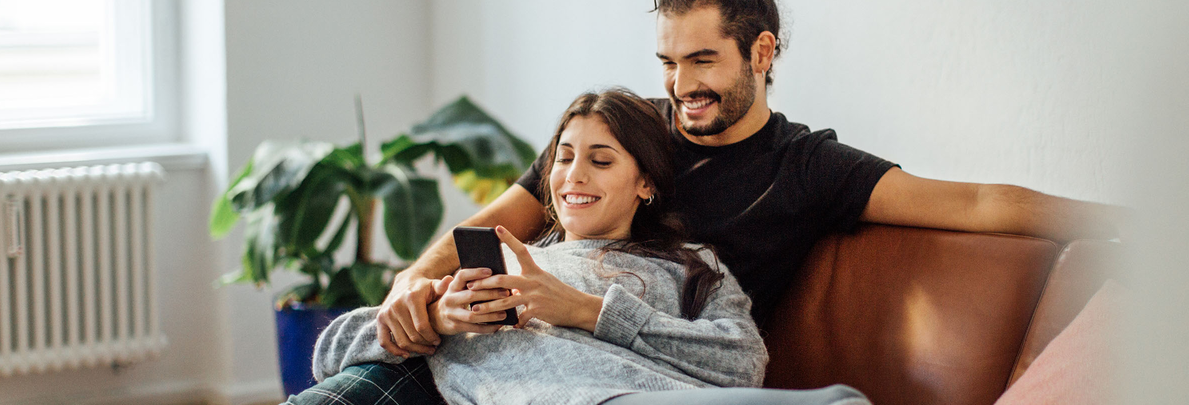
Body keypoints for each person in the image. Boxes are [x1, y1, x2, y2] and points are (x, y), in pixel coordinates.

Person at [339, 0, 1126, 403]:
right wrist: (413, 286)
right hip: (507, 361)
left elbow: (982, 202)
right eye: (669, 61)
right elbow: (486, 227)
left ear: (762, 52)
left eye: (703, 60)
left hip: (650, 372)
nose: (681, 86)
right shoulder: (622, 135)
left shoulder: (808, 166)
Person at [287, 89, 871, 405]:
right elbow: (333, 352)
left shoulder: (691, 266)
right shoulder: (510, 258)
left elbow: (743, 363)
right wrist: (433, 316)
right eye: (564, 159)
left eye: (600, 160)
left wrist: (589, 312)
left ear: (645, 183)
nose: (574, 177)